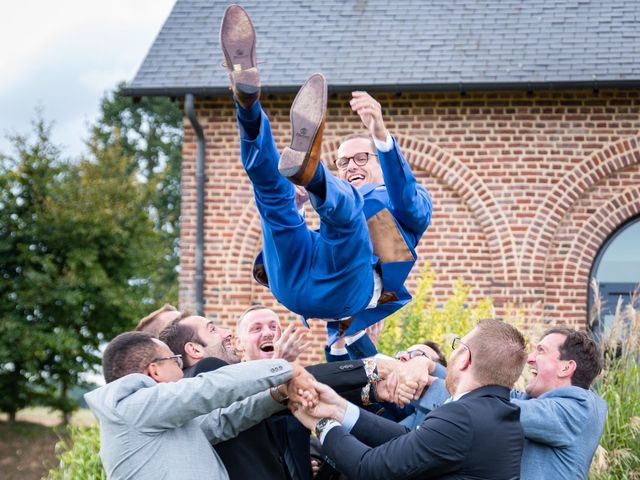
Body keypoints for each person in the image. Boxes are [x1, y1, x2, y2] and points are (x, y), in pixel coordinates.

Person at [220, 4, 432, 345]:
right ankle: (247, 104)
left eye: (361, 158)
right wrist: (301, 208)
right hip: (292, 281)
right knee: (273, 195)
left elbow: (407, 198)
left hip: (343, 290)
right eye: (343, 163)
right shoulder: (337, 198)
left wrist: (380, 133)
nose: (351, 167)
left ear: (380, 162)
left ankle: (313, 173)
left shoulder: (403, 202)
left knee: (344, 211)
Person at [160, 308, 422, 480]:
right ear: (194, 350)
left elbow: (286, 400)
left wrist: (372, 391)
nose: (226, 332)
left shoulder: (203, 399)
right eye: (213, 329)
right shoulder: (207, 369)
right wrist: (373, 370)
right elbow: (286, 388)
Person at [291, 319, 528, 479]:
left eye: (457, 345)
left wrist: (320, 422)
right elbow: (411, 440)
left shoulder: (462, 416)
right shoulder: (503, 416)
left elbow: (368, 468)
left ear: (465, 358)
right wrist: (338, 409)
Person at [85, 331, 315, 480]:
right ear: (154, 370)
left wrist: (277, 394)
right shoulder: (133, 406)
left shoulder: (153, 416)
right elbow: (210, 387)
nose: (181, 369)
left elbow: (220, 422)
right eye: (175, 361)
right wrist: (284, 368)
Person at [511, 327, 607, 480]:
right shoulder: (536, 401)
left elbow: (500, 409)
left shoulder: (578, 409)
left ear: (566, 367)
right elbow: (494, 396)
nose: (529, 358)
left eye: (541, 351)